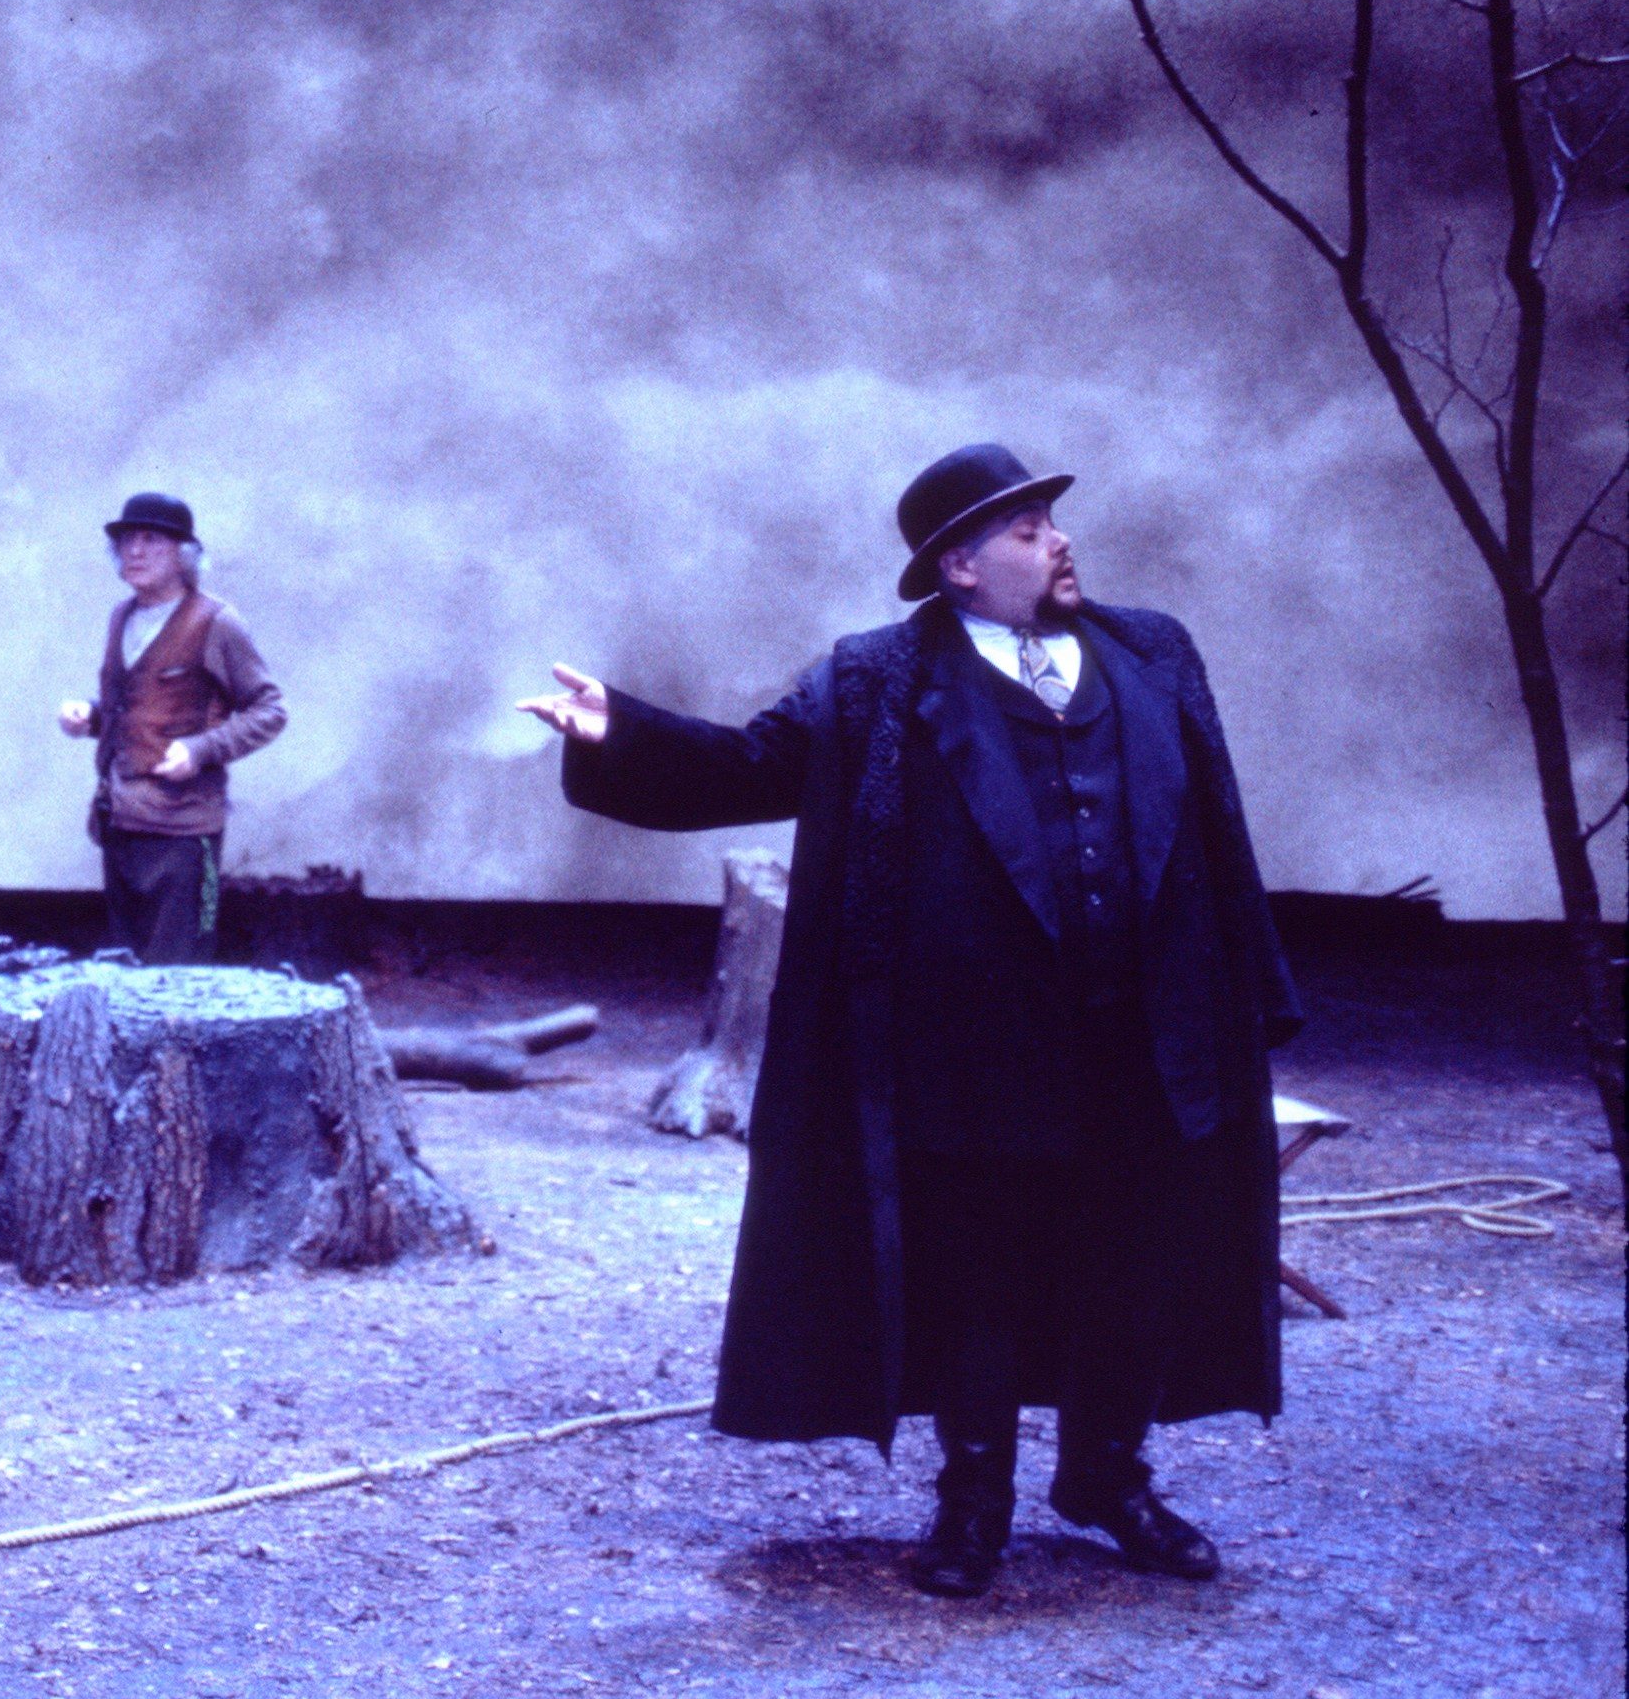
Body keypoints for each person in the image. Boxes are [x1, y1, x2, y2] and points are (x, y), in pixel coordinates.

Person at [519, 443, 1299, 1599]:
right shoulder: (877, 678)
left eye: (1049, 521)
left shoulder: (1151, 652)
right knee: (979, 1272)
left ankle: (1105, 1476)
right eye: (1027, 529)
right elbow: (750, 763)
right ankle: (972, 1499)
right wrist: (616, 733)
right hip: (976, 1045)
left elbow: (1215, 822)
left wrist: (1247, 986)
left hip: (1147, 1029)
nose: (1058, 539)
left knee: (1133, 1261)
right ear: (959, 565)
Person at [57, 493, 286, 961]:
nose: (135, 551)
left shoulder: (216, 622)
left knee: (181, 972)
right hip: (120, 823)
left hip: (185, 834)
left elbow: (270, 711)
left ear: (184, 556)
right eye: (126, 541)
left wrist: (200, 750)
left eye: (151, 540)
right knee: (125, 966)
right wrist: (89, 716)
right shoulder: (122, 616)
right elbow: (136, 711)